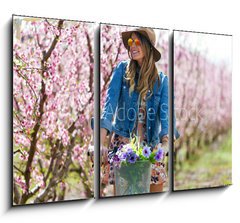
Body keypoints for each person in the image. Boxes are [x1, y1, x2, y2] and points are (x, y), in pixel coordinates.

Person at [100, 27, 179, 194]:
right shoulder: (122, 71)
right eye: (130, 42)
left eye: (137, 42)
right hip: (123, 147)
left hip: (150, 149)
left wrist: (165, 145)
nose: (132, 46)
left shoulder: (162, 81)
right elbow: (109, 107)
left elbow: (166, 118)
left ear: (148, 46)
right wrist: (100, 143)